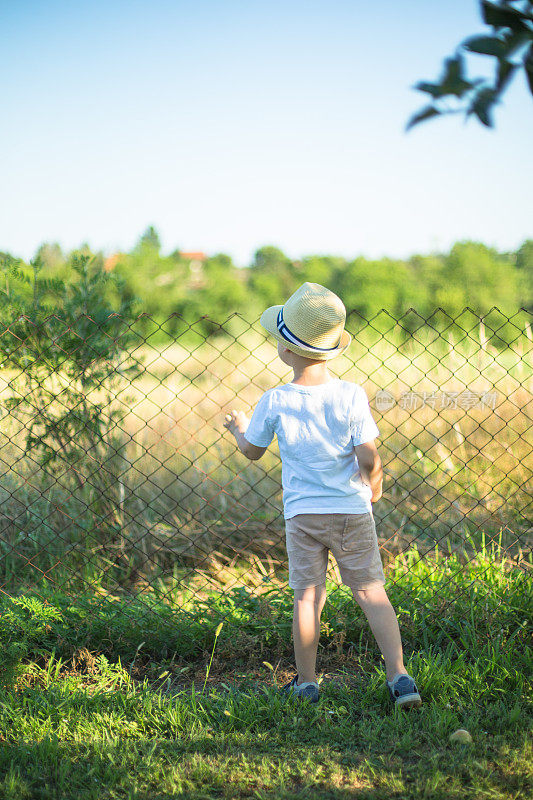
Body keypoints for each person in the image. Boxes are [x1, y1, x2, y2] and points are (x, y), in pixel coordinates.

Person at [223, 282, 421, 709]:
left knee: (308, 596)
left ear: (287, 350)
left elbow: (252, 451)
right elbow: (368, 455)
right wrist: (376, 485)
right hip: (350, 511)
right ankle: (400, 677)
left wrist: (238, 428)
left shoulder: (274, 400)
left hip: (303, 517)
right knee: (371, 591)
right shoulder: (351, 394)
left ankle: (308, 683)